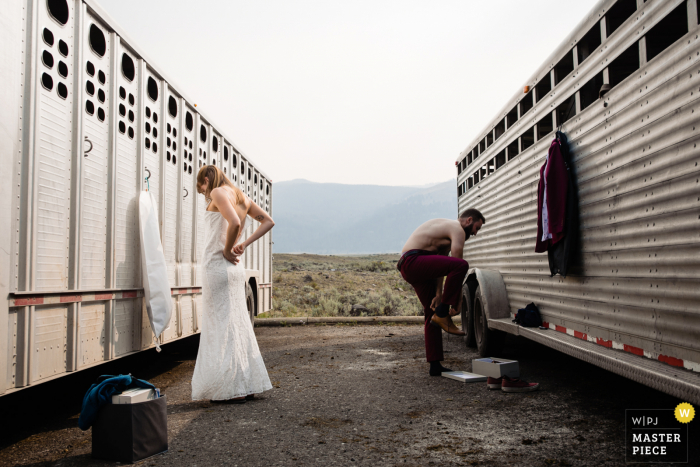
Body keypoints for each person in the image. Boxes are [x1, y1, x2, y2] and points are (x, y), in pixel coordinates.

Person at [191, 165, 274, 403]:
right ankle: (245, 386)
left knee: (219, 326)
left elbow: (235, 223)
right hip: (236, 268)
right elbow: (268, 221)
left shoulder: (218, 193)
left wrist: (227, 250)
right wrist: (243, 245)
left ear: (207, 178)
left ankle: (227, 390)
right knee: (237, 325)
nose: (204, 193)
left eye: (202, 187)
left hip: (217, 265)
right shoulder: (242, 196)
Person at [398, 208, 484, 376]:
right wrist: (457, 302)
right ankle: (443, 313)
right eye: (476, 228)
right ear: (469, 220)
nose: (475, 234)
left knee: (432, 313)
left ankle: (435, 365)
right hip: (414, 260)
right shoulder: (457, 229)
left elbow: (442, 269)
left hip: (409, 265)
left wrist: (439, 295)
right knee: (462, 265)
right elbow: (458, 263)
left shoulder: (445, 234)